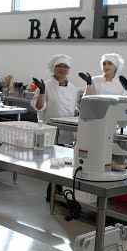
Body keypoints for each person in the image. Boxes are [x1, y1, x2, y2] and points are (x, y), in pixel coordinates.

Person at [31, 54, 79, 202]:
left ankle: (61, 194)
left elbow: (74, 107)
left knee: (67, 165)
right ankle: (52, 193)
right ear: (53, 68)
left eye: (65, 66)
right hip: (52, 130)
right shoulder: (46, 85)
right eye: (59, 66)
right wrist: (42, 92)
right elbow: (39, 107)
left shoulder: (72, 88)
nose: (62, 69)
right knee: (55, 164)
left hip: (69, 131)